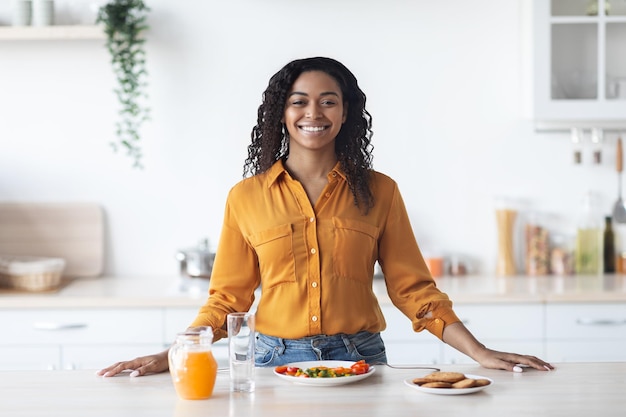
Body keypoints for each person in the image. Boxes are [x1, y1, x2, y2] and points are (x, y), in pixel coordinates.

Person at [98, 57, 553, 378]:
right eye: (298, 101)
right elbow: (226, 301)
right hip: (274, 361)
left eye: (328, 101)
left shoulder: (380, 191)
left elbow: (415, 291)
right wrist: (172, 353)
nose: (313, 113)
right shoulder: (246, 197)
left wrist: (479, 352)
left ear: (346, 112)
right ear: (280, 113)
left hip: (360, 358)